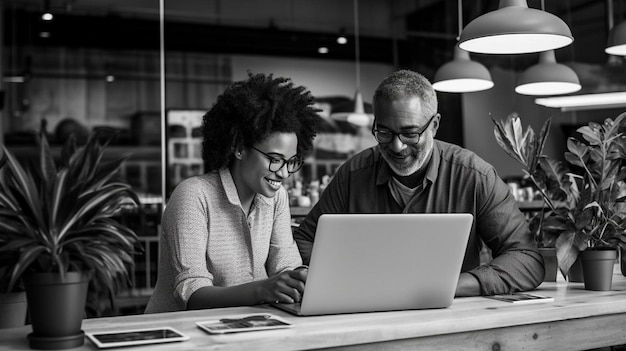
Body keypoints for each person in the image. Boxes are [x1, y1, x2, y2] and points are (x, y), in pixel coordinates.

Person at [293, 69, 544, 297]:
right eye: (384, 132)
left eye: (410, 133)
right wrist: (348, 277)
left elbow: (526, 259)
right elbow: (304, 240)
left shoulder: (475, 176)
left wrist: (447, 286)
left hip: (452, 315)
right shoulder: (353, 175)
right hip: (368, 310)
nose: (397, 146)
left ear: (434, 125)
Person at [145, 73, 320, 313]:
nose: (284, 173)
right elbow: (192, 293)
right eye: (275, 160)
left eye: (291, 161)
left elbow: (285, 266)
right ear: (239, 148)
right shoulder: (194, 195)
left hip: (241, 327)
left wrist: (301, 277)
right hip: (179, 333)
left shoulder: (276, 198)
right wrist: (263, 289)